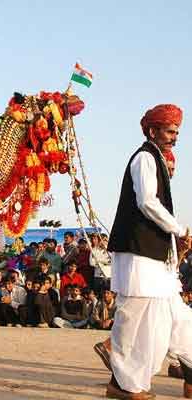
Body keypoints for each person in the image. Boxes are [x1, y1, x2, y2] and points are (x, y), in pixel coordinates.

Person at [104, 104, 192, 399]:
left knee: (173, 319)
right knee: (132, 320)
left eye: (177, 132)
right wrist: (178, 229)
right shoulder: (144, 158)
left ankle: (140, 379)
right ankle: (121, 383)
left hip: (156, 259)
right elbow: (147, 202)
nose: (174, 136)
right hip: (137, 255)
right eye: (169, 130)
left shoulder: (156, 159)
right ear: (152, 130)